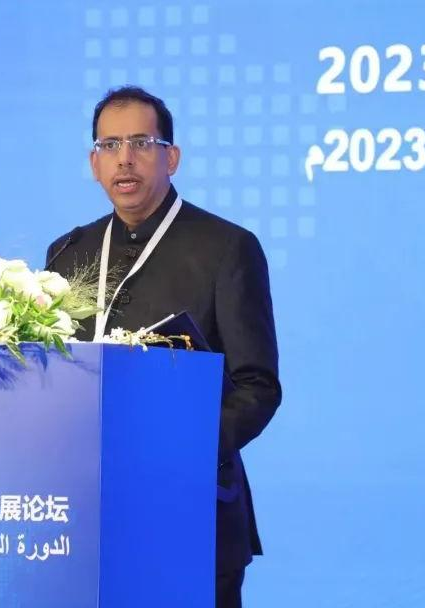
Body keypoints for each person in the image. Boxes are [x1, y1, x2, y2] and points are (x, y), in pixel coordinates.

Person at [45, 86, 282, 607]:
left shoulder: (226, 248)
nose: (124, 159)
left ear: (171, 157)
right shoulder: (67, 252)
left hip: (191, 511)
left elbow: (257, 387)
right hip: (86, 515)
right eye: (109, 145)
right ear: (94, 163)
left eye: (140, 143)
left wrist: (180, 452)